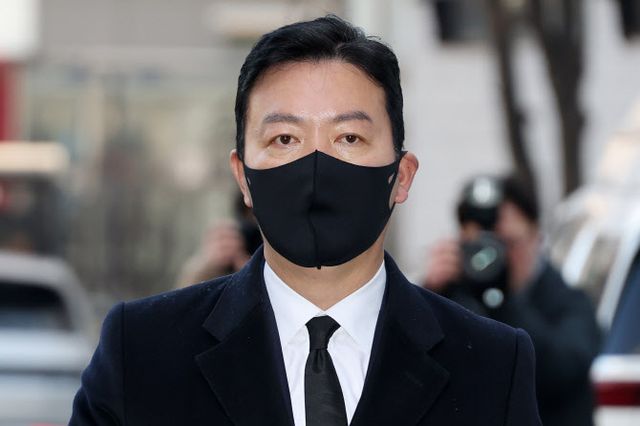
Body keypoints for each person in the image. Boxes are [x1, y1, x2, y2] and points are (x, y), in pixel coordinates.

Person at [70, 16, 542, 425]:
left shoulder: (492, 366)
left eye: (349, 138)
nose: (316, 167)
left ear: (401, 176)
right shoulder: (142, 351)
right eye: (285, 139)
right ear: (243, 177)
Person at [424, 174, 601, 426]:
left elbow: (561, 373)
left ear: (537, 237)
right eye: (482, 244)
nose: (494, 256)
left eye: (506, 243)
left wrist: (502, 300)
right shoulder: (451, 299)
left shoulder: (569, 302)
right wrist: (430, 294)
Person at [176, 193, 261, 286]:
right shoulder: (237, 239)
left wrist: (254, 272)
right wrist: (210, 264)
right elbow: (188, 290)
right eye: (250, 216)